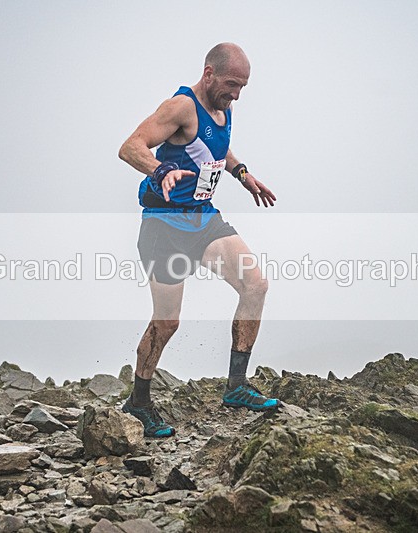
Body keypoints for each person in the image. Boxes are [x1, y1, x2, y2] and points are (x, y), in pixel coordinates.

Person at [118, 43, 279, 438]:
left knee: (254, 284)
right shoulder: (180, 106)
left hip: (203, 220)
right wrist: (160, 171)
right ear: (209, 74)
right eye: (230, 84)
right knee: (167, 322)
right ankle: (139, 402)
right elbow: (130, 147)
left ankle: (236, 386)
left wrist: (243, 175)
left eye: (242, 87)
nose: (236, 94)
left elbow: (215, 150)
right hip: (164, 226)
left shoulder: (223, 107)